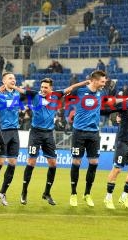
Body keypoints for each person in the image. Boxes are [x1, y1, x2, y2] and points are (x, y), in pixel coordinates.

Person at [17, 78, 88, 206]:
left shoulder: (56, 95)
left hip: (49, 134)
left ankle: (47, 193)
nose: (43, 89)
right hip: (35, 133)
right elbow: (21, 90)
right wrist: (10, 85)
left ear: (51, 88)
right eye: (42, 87)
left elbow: (71, 88)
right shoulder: (34, 95)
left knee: (53, 163)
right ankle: (24, 192)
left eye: (46, 87)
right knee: (31, 161)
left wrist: (85, 82)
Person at [68, 70, 107, 207]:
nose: (104, 83)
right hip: (79, 132)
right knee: (76, 162)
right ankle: (73, 194)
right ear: (94, 80)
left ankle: (87, 194)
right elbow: (68, 90)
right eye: (102, 81)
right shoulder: (80, 91)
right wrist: (84, 82)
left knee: (94, 163)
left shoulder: (101, 93)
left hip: (94, 133)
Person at [0, 72, 23, 206]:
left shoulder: (17, 94)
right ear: (3, 81)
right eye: (10, 78)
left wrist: (16, 88)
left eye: (14, 78)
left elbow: (31, 94)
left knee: (13, 163)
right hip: (2, 132)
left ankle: (2, 192)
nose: (13, 80)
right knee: (0, 162)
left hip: (14, 132)